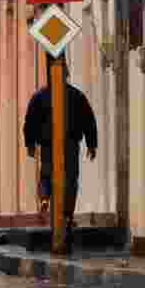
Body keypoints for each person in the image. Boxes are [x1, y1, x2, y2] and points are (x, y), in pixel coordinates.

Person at [22, 69, 98, 253]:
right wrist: (91, 144)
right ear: (66, 75)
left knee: (46, 174)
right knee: (71, 179)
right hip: (70, 144)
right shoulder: (77, 95)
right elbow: (89, 120)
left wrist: (30, 144)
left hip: (48, 144)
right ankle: (67, 215)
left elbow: (30, 121)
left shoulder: (39, 96)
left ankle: (44, 198)